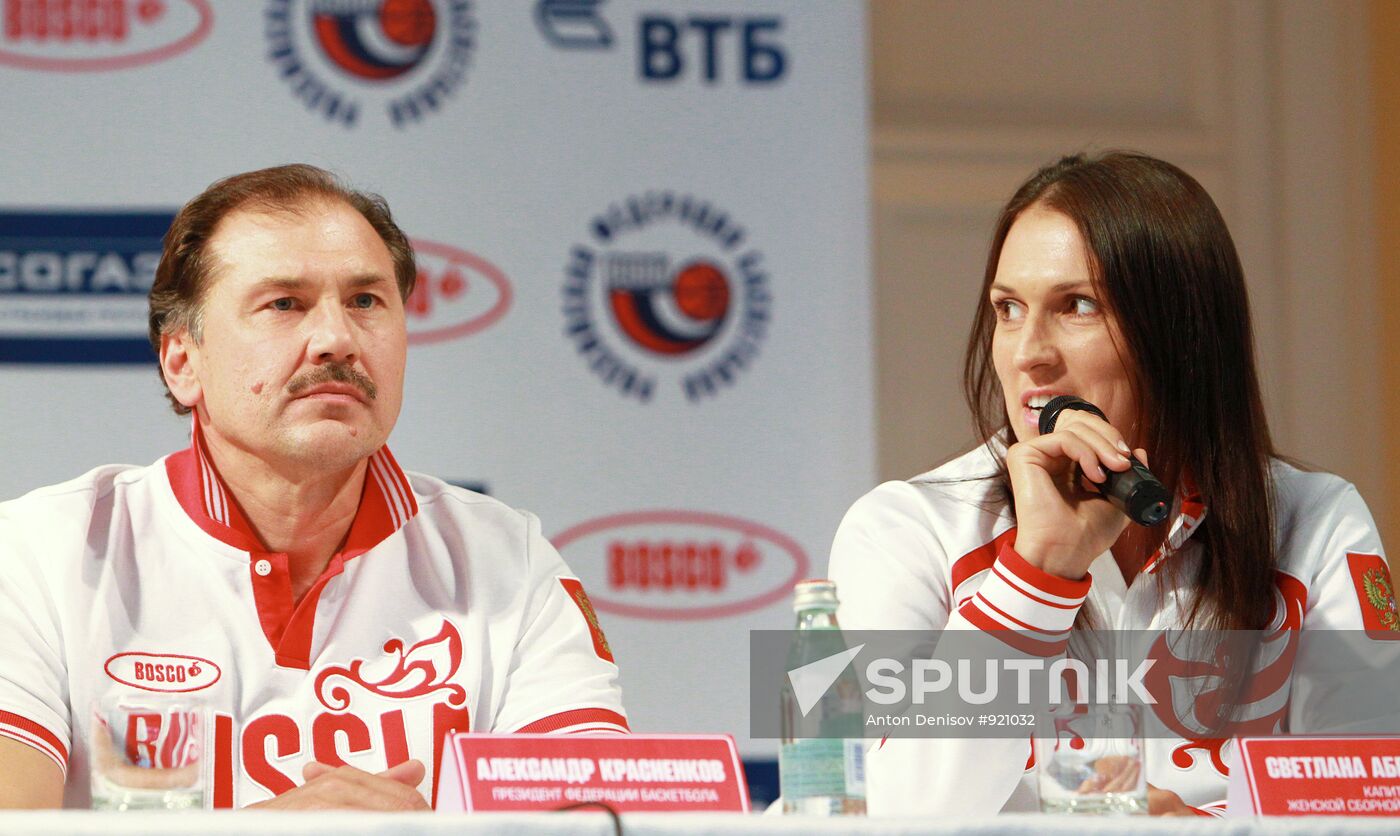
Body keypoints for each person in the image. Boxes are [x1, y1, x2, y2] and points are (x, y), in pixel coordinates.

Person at [0, 165, 628, 810]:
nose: (336, 339)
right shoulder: (39, 557)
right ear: (183, 361)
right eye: (284, 304)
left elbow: (595, 826)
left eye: (365, 301)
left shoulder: (508, 562)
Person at [828, 151, 1399, 816]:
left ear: (1180, 332)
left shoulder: (1315, 521)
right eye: (1008, 308)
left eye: (1076, 306)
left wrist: (1200, 832)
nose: (1027, 352)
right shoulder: (904, 531)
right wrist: (1038, 572)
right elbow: (899, 815)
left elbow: (1373, 799)